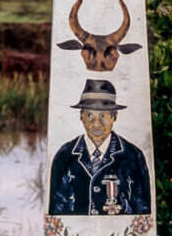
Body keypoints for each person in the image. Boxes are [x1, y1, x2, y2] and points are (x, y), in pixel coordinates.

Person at [49, 79, 151, 216]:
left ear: (114, 116)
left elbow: (143, 211)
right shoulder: (65, 155)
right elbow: (55, 211)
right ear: (81, 116)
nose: (96, 124)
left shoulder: (132, 155)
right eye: (90, 115)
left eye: (103, 116)